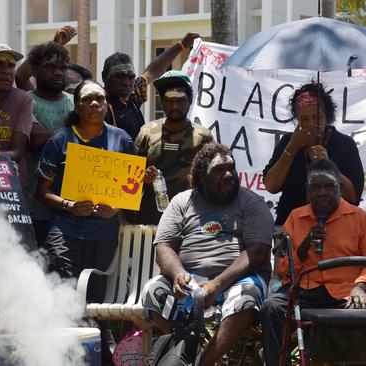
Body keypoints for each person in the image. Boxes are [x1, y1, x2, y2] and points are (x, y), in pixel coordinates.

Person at [141, 142, 274, 366]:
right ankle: (185, 348)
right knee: (153, 291)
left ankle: (203, 362)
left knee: (247, 296)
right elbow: (163, 247)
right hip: (191, 280)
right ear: (202, 176)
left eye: (231, 168)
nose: (229, 174)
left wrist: (217, 284)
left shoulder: (251, 202)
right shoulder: (182, 202)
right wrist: (178, 275)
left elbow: (258, 252)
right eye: (219, 170)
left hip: (236, 280)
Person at [35, 79, 134, 364]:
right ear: (76, 105)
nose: (95, 104)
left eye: (100, 99)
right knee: (66, 297)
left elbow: (132, 190)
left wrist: (115, 208)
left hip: (104, 235)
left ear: (106, 105)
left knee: (95, 302)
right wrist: (68, 204)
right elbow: (42, 192)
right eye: (88, 99)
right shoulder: (60, 139)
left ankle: (98, 358)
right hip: (64, 231)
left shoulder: (122, 139)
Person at [260, 159, 366, 366]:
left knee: (363, 314)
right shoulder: (296, 217)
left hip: (346, 292)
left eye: (329, 186)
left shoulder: (358, 217)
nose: (322, 192)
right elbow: (284, 270)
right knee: (272, 307)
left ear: (339, 189)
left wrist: (360, 288)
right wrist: (305, 244)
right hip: (306, 290)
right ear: (307, 191)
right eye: (316, 187)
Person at [263, 81, 364, 225]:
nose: (311, 123)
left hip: (335, 227)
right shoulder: (288, 142)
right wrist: (292, 148)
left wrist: (328, 165)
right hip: (292, 225)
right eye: (304, 119)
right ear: (297, 120)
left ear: (327, 116)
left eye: (317, 118)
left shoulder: (344, 144)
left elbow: (353, 197)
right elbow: (271, 186)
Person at [129, 70, 213, 224]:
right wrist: (143, 177)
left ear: (189, 100)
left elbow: (212, 179)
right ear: (161, 101)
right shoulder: (147, 132)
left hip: (190, 217)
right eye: (169, 100)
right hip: (150, 218)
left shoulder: (203, 136)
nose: (175, 106)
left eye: (180, 100)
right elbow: (129, 177)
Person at [102, 32, 201, 140]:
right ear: (104, 77)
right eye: (120, 76)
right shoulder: (99, 105)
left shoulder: (133, 94)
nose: (126, 82)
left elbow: (152, 71)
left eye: (131, 77)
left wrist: (182, 45)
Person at [24, 41, 75, 247]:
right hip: (35, 207)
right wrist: (74, 132)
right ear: (34, 69)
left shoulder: (75, 102)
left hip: (71, 207)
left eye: (62, 68)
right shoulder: (24, 101)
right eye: (51, 67)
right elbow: (35, 139)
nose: (58, 73)